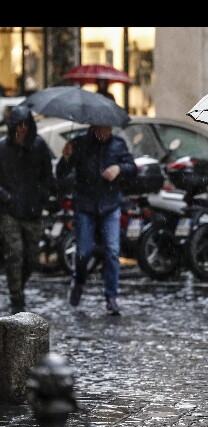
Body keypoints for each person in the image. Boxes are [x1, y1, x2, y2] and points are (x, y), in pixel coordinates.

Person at [56, 124, 136, 315]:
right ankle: (79, 281)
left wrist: (119, 168)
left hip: (110, 204)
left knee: (112, 250)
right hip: (85, 204)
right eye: (100, 129)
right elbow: (62, 173)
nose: (103, 133)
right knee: (84, 251)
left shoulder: (118, 144)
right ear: (93, 127)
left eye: (107, 129)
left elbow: (132, 168)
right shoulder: (80, 143)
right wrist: (66, 157)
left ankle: (111, 296)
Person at [0, 105, 55, 314]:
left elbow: (48, 178)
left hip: (32, 210)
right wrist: (6, 197)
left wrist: (41, 195)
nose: (22, 129)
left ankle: (18, 286)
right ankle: (16, 297)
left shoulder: (39, 147)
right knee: (14, 253)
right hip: (9, 209)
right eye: (18, 125)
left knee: (31, 257)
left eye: (25, 125)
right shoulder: (2, 149)